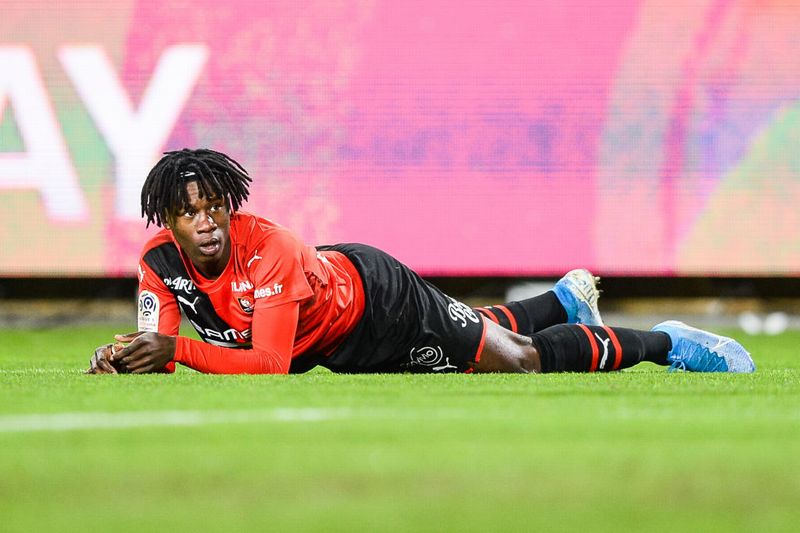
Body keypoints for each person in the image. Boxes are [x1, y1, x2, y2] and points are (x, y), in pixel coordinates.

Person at [87, 149, 755, 375]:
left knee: (518, 360)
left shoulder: (271, 251)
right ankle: (562, 302)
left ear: (231, 206)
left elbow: (268, 363)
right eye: (190, 213)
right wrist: (125, 356)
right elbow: (159, 347)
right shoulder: (159, 262)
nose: (206, 223)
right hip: (342, 347)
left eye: (215, 207)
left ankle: (668, 342)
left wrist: (175, 349)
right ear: (167, 220)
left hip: (382, 303)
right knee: (473, 335)